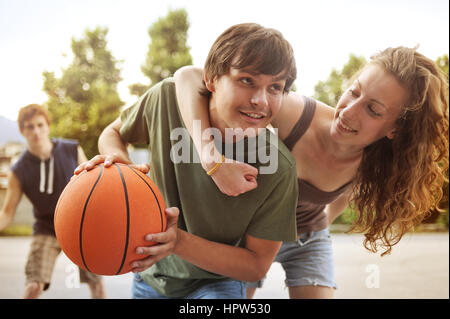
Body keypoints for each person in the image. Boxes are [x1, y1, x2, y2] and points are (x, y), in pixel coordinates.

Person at [173, 46, 449, 298]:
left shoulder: (374, 165)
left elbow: (339, 199)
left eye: (373, 110)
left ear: (395, 130)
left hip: (307, 236)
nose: (348, 112)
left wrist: (314, 227)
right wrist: (210, 156)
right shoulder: (293, 115)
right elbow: (188, 76)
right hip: (247, 236)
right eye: (353, 92)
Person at [75, 23, 299, 299]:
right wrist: (123, 168)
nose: (260, 100)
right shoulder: (166, 99)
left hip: (217, 284)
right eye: (247, 80)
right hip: (149, 275)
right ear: (211, 79)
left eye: (275, 87)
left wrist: (178, 242)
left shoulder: (279, 166)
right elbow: (112, 133)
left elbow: (255, 266)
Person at [0, 104, 106, 299]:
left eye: (40, 125)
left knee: (97, 285)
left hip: (79, 225)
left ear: (48, 126)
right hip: (46, 228)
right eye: (29, 127)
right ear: (22, 130)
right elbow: (7, 213)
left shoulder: (71, 149)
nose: (36, 131)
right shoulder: (18, 171)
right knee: (33, 286)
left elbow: (92, 186)